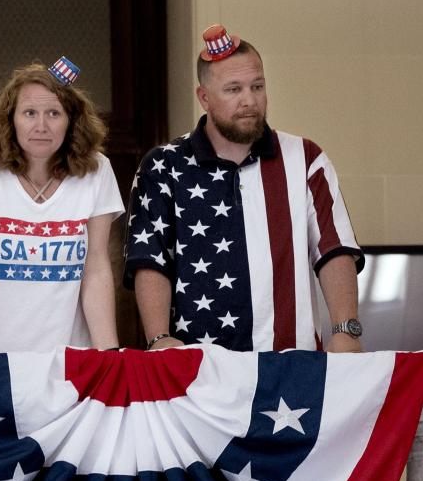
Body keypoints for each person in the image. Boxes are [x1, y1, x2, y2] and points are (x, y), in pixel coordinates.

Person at [123, 25, 365, 354]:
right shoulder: (162, 166)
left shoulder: (305, 157)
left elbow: (334, 250)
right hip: (197, 371)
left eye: (257, 86)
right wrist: (158, 338)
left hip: (292, 366)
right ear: (204, 97)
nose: (249, 100)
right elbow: (150, 260)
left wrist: (345, 330)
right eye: (233, 89)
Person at [0, 57, 123, 351]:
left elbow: (96, 268)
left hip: (70, 359)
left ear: (71, 120)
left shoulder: (97, 170)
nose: (41, 125)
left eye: (54, 113)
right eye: (29, 113)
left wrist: (109, 354)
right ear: (11, 118)